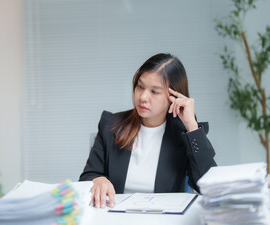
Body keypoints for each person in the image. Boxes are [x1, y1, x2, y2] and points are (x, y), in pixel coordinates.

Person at [79, 53, 217, 209]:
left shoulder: (182, 135)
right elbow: (87, 176)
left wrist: (191, 125)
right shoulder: (111, 125)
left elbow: (210, 188)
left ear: (174, 96)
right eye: (140, 86)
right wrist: (97, 180)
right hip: (115, 220)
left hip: (162, 224)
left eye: (154, 91)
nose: (143, 97)